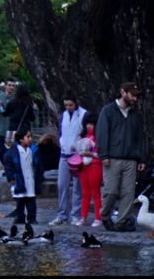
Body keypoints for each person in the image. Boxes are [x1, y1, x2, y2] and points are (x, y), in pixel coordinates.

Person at [97, 82, 146, 232]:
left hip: (130, 159)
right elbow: (102, 133)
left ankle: (121, 222)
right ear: (122, 92)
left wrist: (141, 158)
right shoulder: (108, 111)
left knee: (128, 192)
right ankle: (105, 216)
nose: (134, 98)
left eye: (136, 96)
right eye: (132, 95)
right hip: (112, 158)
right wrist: (103, 154)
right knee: (110, 191)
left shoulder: (135, 115)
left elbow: (139, 138)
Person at [49, 93, 88, 226]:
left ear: (76, 102)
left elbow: (86, 133)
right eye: (66, 105)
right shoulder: (63, 115)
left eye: (70, 105)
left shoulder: (83, 115)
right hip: (64, 154)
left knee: (77, 186)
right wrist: (61, 142)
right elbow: (61, 130)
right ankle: (62, 215)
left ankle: (75, 215)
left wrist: (79, 145)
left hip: (78, 154)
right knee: (62, 185)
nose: (68, 107)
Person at [3, 129, 45, 225]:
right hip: (19, 180)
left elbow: (38, 165)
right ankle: (20, 216)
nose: (30, 139)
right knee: (20, 200)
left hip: (30, 179)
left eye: (30, 137)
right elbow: (8, 167)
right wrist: (11, 177)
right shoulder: (12, 153)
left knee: (31, 201)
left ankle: (32, 217)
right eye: (28, 137)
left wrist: (40, 176)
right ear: (21, 139)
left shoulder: (33, 151)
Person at [74, 111, 103, 227]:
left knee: (95, 193)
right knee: (85, 193)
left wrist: (91, 155)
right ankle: (83, 217)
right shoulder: (83, 137)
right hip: (83, 166)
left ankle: (97, 218)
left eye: (91, 124)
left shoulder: (99, 138)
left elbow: (101, 154)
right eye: (87, 124)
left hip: (95, 165)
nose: (89, 126)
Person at [0, 83, 38, 156]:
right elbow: (33, 118)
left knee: (12, 151)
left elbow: (5, 114)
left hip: (13, 131)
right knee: (25, 152)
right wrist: (35, 110)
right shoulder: (29, 105)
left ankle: (12, 165)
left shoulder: (12, 103)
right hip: (25, 131)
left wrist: (0, 106)